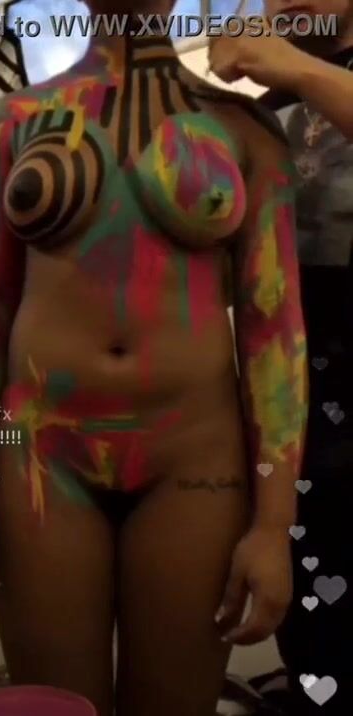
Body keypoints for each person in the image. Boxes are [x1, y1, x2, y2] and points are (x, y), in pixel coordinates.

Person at [0, 1, 308, 713]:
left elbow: (274, 330)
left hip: (194, 459)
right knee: (53, 705)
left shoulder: (245, 127)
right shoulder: (18, 117)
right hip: (43, 454)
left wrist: (271, 526)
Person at [209, 2, 353, 713]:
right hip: (296, 407)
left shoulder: (297, 76)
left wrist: (292, 65)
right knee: (315, 632)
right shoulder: (266, 114)